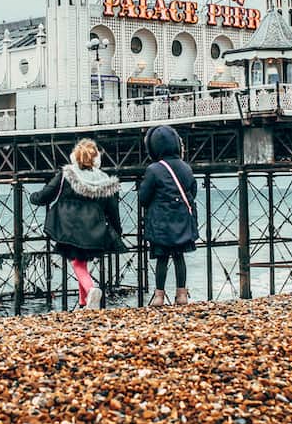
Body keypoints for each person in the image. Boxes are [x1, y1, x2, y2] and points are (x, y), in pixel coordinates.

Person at [30, 138, 124, 310]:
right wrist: (117, 231)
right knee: (81, 262)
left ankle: (91, 290)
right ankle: (84, 303)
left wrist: (33, 197)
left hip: (69, 227)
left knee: (77, 263)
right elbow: (113, 209)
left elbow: (47, 195)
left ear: (75, 157)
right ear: (97, 159)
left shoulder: (67, 174)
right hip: (94, 228)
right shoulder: (104, 180)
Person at [139, 125, 199, 306]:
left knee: (162, 258)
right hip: (181, 220)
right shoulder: (186, 168)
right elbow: (193, 191)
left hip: (161, 223)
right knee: (179, 257)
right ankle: (181, 295)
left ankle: (159, 296)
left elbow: (143, 198)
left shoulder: (153, 169)